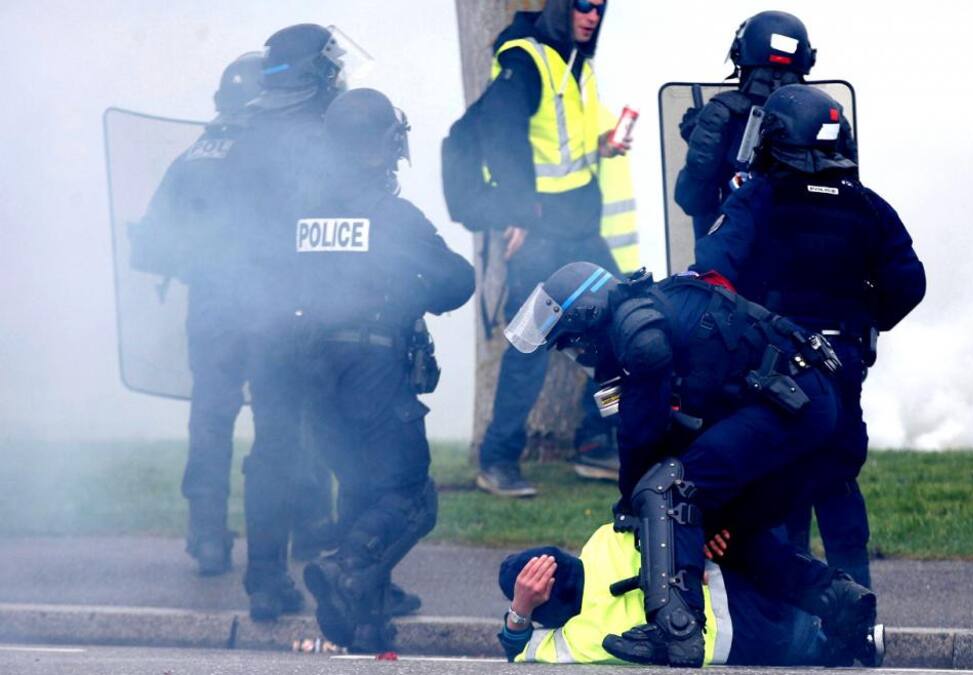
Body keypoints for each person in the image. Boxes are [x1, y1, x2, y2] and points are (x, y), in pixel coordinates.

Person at [504, 262, 878, 667]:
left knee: (665, 489)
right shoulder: (651, 314)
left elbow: (642, 435)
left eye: (574, 344)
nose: (579, 356)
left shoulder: (638, 330)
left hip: (793, 405)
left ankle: (676, 631)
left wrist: (635, 504)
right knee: (718, 528)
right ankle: (840, 600)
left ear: (588, 316)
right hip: (803, 406)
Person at [692, 84, 926, 589]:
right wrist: (866, 321)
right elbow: (910, 283)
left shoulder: (758, 197)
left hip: (771, 369)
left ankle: (790, 624)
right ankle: (858, 617)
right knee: (837, 481)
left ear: (776, 137)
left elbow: (711, 270)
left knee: (777, 484)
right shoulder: (869, 207)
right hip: (841, 363)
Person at [292, 88, 475, 653]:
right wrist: (406, 284)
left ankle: (363, 624)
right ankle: (346, 566)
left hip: (312, 375)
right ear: (383, 149)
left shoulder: (303, 216)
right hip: (373, 368)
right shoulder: (391, 217)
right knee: (409, 495)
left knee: (360, 490)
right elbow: (457, 281)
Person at [475, 0, 632, 497]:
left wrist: (602, 145)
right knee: (529, 346)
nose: (593, 16)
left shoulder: (574, 58)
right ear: (561, 6)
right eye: (584, 5)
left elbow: (561, 146)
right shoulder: (524, 58)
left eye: (601, 8)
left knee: (629, 325)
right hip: (540, 236)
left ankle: (592, 442)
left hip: (581, 232)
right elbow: (498, 139)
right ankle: (496, 461)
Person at [222, 23, 349, 621]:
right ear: (316, 76)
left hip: (261, 314)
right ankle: (354, 578)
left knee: (274, 448)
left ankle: (268, 579)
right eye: (332, 67)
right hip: (318, 316)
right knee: (342, 442)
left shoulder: (245, 132)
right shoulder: (324, 137)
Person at [130, 52, 264, 577]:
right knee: (284, 424)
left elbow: (149, 246)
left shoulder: (192, 156)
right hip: (269, 308)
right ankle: (295, 537)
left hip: (210, 311)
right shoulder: (272, 150)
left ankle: (208, 538)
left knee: (209, 423)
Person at [494, 524, 883, 666]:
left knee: (811, 649)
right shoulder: (605, 538)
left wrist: (520, 609)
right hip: (755, 593)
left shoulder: (583, 640)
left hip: (747, 644)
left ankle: (852, 644)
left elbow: (518, 649)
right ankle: (845, 612)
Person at [674, 10, 856, 241]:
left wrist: (699, 138)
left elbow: (692, 199)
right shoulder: (830, 112)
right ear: (807, 58)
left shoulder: (721, 113)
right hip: (818, 252)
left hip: (740, 258)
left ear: (740, 53)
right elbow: (852, 188)